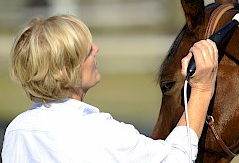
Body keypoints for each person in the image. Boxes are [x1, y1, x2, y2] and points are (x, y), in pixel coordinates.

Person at [1, 14, 218, 162]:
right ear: (63, 72)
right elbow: (176, 159)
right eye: (86, 51)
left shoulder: (17, 130)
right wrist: (202, 88)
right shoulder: (98, 131)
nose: (96, 49)